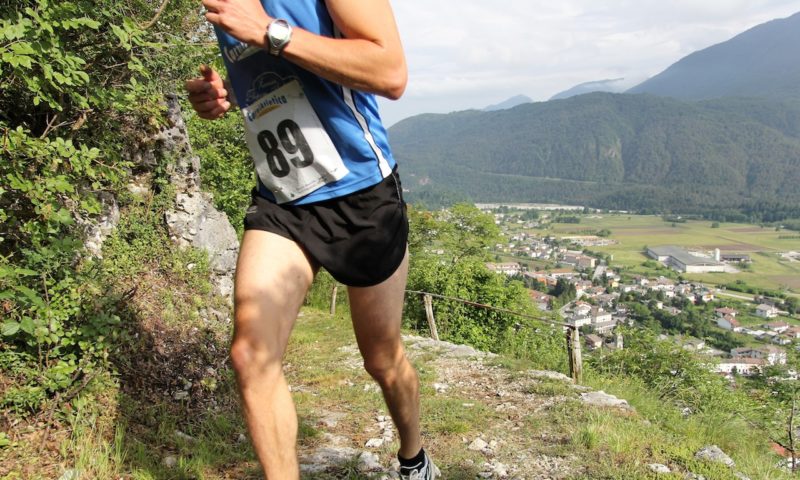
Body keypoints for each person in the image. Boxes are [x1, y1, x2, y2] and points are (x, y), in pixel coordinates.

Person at [184, 0, 438, 478]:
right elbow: (278, 85)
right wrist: (220, 98)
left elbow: (390, 71)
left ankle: (414, 456)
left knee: (382, 360)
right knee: (250, 356)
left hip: (361, 195)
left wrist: (269, 32)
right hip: (284, 198)